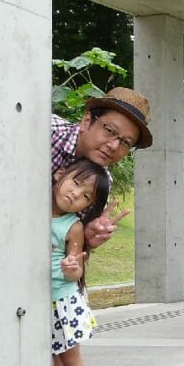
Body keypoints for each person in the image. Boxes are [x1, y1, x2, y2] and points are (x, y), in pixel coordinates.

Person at [51, 87, 154, 248]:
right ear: (86, 121)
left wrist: (86, 238)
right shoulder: (47, 131)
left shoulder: (100, 184)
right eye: (110, 130)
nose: (114, 146)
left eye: (126, 142)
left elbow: (66, 245)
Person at [50, 159, 111, 366]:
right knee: (52, 356)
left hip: (62, 302)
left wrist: (71, 268)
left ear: (87, 207)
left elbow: (76, 273)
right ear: (59, 174)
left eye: (86, 196)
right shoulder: (33, 210)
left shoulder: (72, 226)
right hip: (39, 300)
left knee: (70, 357)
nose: (76, 194)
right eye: (76, 183)